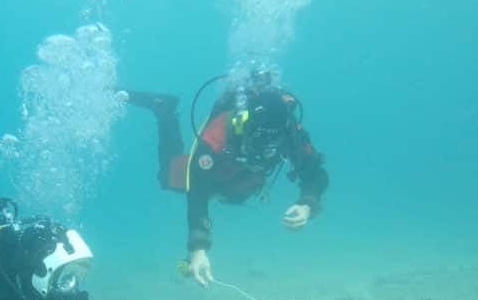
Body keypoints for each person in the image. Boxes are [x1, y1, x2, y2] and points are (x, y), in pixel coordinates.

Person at [127, 70, 329, 287]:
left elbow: (316, 173)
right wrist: (198, 248)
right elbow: (197, 190)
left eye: (275, 139)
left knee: (235, 194)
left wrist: (307, 204)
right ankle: (163, 109)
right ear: (248, 125)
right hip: (217, 169)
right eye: (262, 137)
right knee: (169, 178)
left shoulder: (292, 134)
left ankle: (234, 188)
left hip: (244, 178)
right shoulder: (222, 128)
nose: (268, 147)